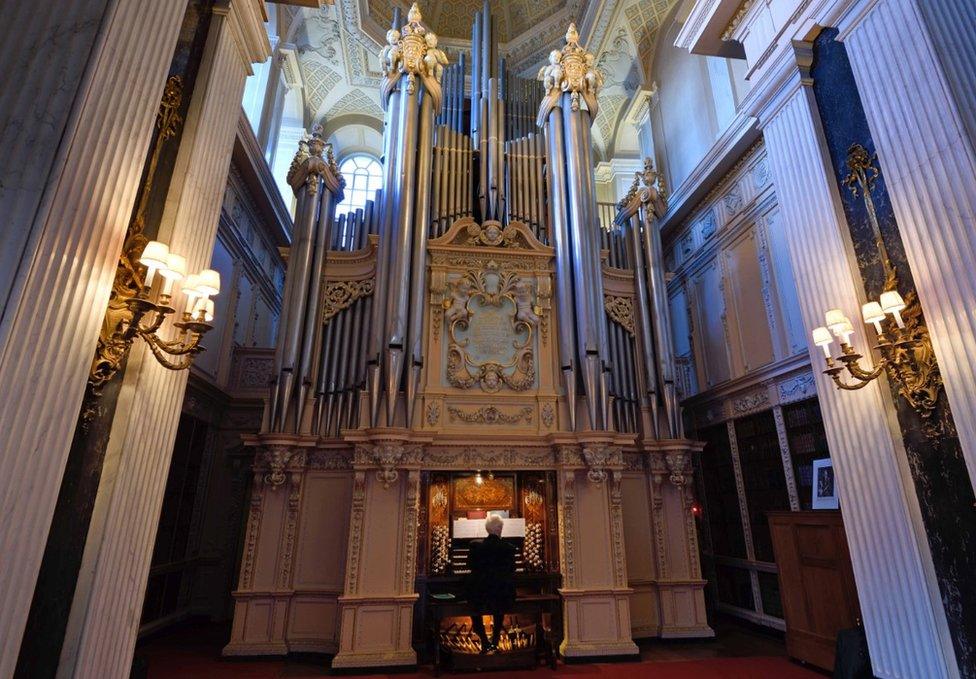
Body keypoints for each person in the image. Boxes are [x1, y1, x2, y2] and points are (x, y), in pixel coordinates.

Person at [466, 515, 516, 653]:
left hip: (480, 592)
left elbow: (469, 565)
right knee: (499, 606)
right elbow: (512, 569)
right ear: (499, 529)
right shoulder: (508, 548)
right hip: (502, 592)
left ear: (487, 529)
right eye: (501, 527)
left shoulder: (475, 546)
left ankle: (484, 640)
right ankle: (495, 641)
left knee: (473, 604)